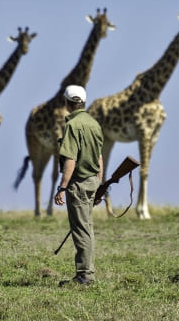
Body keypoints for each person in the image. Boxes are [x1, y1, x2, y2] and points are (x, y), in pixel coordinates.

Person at [54, 85, 104, 286]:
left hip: (79, 183)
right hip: (92, 180)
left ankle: (85, 275)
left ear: (67, 103)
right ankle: (86, 272)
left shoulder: (72, 126)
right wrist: (99, 183)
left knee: (81, 230)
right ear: (83, 102)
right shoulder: (94, 124)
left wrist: (62, 187)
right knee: (87, 227)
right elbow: (99, 157)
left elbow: (71, 159)